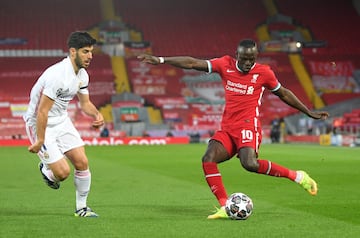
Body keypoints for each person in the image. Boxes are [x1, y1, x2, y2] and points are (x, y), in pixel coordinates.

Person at [137, 39, 329, 219]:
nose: (248, 63)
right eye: (244, 59)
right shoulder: (224, 64)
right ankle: (224, 206)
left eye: (252, 59)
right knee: (208, 159)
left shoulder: (264, 73)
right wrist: (161, 60)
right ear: (237, 55)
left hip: (248, 125)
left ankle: (297, 176)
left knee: (250, 164)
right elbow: (192, 63)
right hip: (228, 127)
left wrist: (308, 112)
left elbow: (284, 94)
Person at [23, 31, 104, 217]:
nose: (90, 56)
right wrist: (39, 140)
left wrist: (96, 114)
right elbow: (41, 111)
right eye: (85, 51)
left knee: (82, 162)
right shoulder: (58, 75)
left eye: (91, 51)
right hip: (39, 122)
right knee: (62, 174)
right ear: (72, 52)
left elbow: (85, 104)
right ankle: (47, 170)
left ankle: (81, 208)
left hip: (61, 120)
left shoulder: (82, 75)